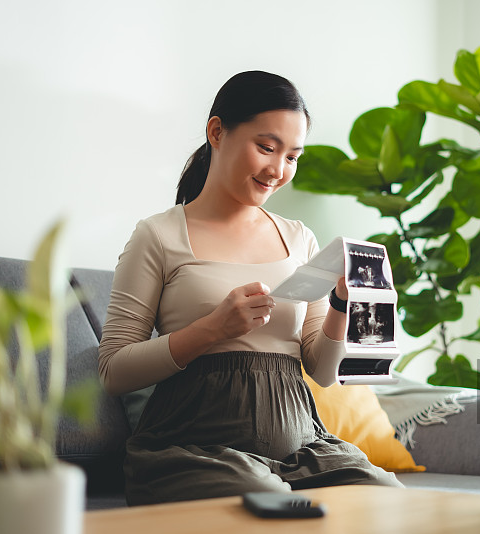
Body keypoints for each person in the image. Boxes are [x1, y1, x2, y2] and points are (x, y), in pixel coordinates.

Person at [98, 70, 402, 506]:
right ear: (217, 132)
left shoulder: (299, 239)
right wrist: (212, 329)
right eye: (266, 147)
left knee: (390, 500)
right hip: (194, 453)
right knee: (269, 501)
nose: (278, 171)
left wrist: (340, 305)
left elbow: (321, 370)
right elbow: (113, 371)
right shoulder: (159, 235)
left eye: (293, 156)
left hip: (303, 451)